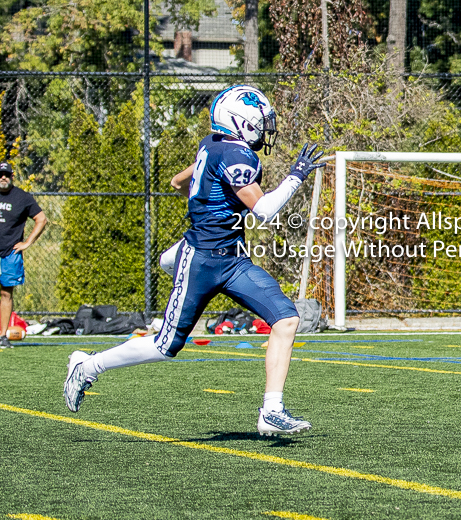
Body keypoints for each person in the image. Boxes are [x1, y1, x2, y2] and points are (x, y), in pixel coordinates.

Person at [63, 85, 325, 437]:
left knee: (286, 319)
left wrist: (201, 197)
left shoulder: (212, 144)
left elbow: (177, 181)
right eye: (261, 123)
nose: (265, 130)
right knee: (165, 346)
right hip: (202, 260)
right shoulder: (237, 156)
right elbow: (264, 210)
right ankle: (88, 365)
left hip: (232, 260)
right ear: (241, 122)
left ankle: (272, 410)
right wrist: (297, 175)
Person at [0, 162, 47, 350]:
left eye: (6, 174)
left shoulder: (22, 197)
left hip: (10, 254)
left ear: (12, 176)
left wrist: (28, 243)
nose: (2, 177)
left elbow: (41, 219)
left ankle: (2, 336)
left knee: (6, 293)